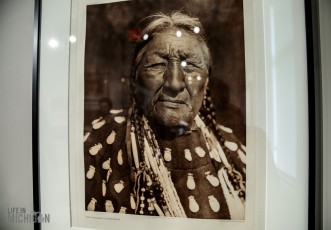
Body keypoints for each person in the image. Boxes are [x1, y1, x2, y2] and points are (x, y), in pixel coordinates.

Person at [84, 12, 246, 219]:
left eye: (191, 66)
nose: (174, 83)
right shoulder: (103, 143)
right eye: (157, 64)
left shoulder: (231, 150)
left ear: (206, 83)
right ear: (135, 78)